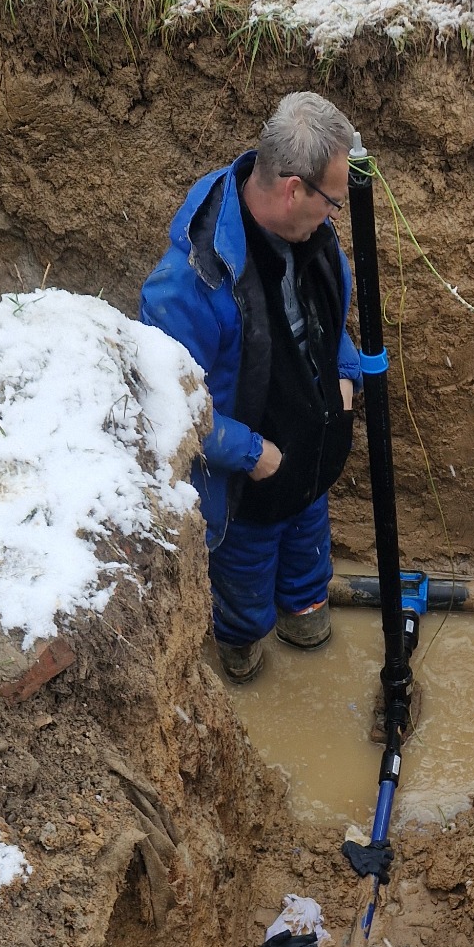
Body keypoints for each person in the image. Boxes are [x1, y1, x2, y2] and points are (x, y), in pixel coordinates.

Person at [141, 93, 361, 682]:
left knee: (307, 577)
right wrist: (253, 455)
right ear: (293, 188)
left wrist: (345, 372)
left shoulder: (308, 231)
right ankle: (242, 659)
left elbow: (330, 314)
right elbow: (173, 409)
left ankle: (305, 621)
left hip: (312, 464)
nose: (336, 215)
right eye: (332, 201)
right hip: (247, 484)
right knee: (242, 600)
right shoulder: (187, 284)